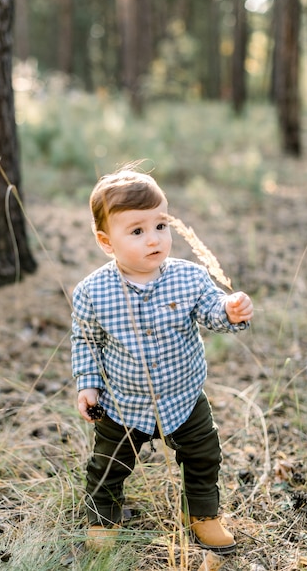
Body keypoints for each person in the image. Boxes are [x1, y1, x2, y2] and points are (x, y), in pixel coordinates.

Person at [71, 163, 253, 554]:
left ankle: (203, 514)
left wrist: (230, 310)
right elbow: (85, 339)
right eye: (137, 231)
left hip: (183, 397)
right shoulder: (92, 292)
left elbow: (210, 310)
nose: (154, 239)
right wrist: (87, 383)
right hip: (123, 402)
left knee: (204, 455)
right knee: (108, 465)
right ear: (106, 242)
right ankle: (103, 516)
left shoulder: (189, 277)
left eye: (161, 226)